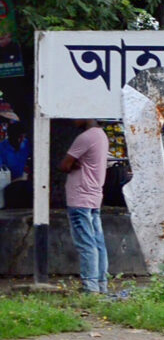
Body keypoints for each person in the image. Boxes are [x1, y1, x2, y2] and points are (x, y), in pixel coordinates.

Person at [59, 119, 109, 293]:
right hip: (94, 195)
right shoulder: (102, 136)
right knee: (98, 242)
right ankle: (101, 284)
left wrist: (73, 164)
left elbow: (64, 165)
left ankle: (90, 286)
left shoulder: (85, 137)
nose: (72, 119)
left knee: (86, 243)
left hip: (79, 196)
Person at [0, 123, 32, 208]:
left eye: (23, 137)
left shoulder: (26, 144)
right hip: (6, 187)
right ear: (11, 136)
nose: (21, 140)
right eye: (18, 137)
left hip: (22, 184)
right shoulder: (2, 148)